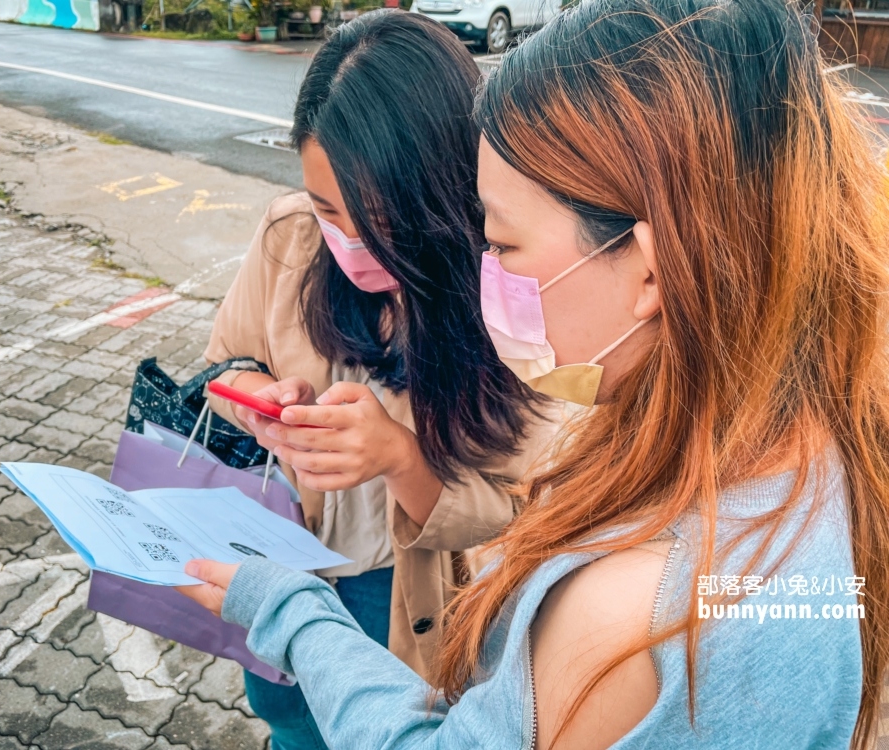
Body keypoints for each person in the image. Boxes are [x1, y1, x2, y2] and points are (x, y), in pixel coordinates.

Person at [180, 0, 889, 747]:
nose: (491, 279)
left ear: (649, 273)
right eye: (329, 209)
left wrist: (296, 605)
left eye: (503, 245)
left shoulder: (614, 613)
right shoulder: (815, 453)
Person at [201, 10, 559, 750]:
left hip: (394, 590)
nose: (351, 242)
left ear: (445, 193)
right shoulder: (291, 238)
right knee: (286, 719)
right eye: (332, 209)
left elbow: (525, 515)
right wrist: (258, 401)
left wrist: (400, 456)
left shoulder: (512, 296)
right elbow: (226, 364)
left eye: (384, 219)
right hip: (282, 547)